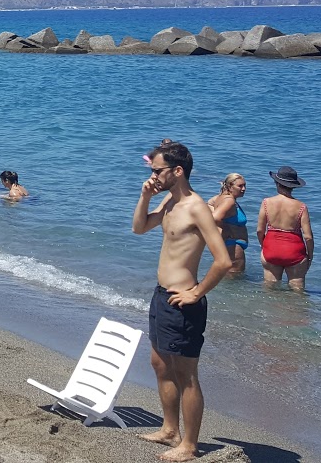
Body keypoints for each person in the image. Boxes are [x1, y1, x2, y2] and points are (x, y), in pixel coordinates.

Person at [131, 139, 233, 463]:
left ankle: (189, 445)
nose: (153, 176)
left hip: (183, 303)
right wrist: (146, 196)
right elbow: (139, 228)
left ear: (177, 171)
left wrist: (197, 292)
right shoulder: (168, 203)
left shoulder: (197, 207)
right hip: (161, 296)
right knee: (160, 365)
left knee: (186, 374)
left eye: (157, 171)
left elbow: (223, 261)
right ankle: (170, 429)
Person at [257, 166, 313, 291]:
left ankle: (267, 311)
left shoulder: (266, 202)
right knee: (297, 292)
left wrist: (264, 245)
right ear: (293, 186)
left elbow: (260, 230)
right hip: (294, 251)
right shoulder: (301, 207)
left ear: (277, 183)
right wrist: (310, 256)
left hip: (271, 248)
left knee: (269, 289)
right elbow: (308, 236)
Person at [207, 173, 250, 271]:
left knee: (227, 280)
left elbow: (208, 204)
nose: (244, 189)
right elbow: (214, 218)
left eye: (244, 185)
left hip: (229, 245)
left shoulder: (220, 197)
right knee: (235, 280)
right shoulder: (229, 201)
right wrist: (223, 227)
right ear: (230, 186)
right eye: (240, 186)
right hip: (233, 247)